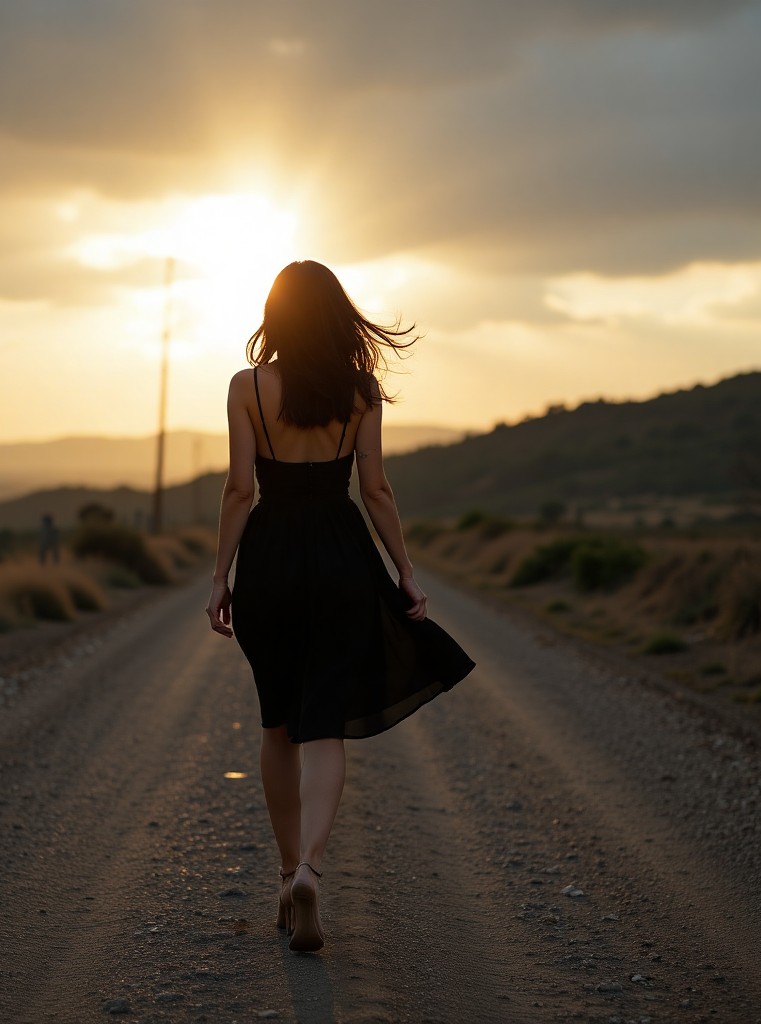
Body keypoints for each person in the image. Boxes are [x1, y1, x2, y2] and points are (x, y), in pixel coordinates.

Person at [205, 260, 475, 953]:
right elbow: (377, 490)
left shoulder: (246, 387)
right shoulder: (361, 392)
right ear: (337, 316)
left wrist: (219, 578)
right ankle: (311, 871)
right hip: (341, 556)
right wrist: (406, 574)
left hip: (267, 558)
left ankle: (283, 871)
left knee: (277, 725)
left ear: (277, 315)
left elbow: (240, 490)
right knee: (324, 726)